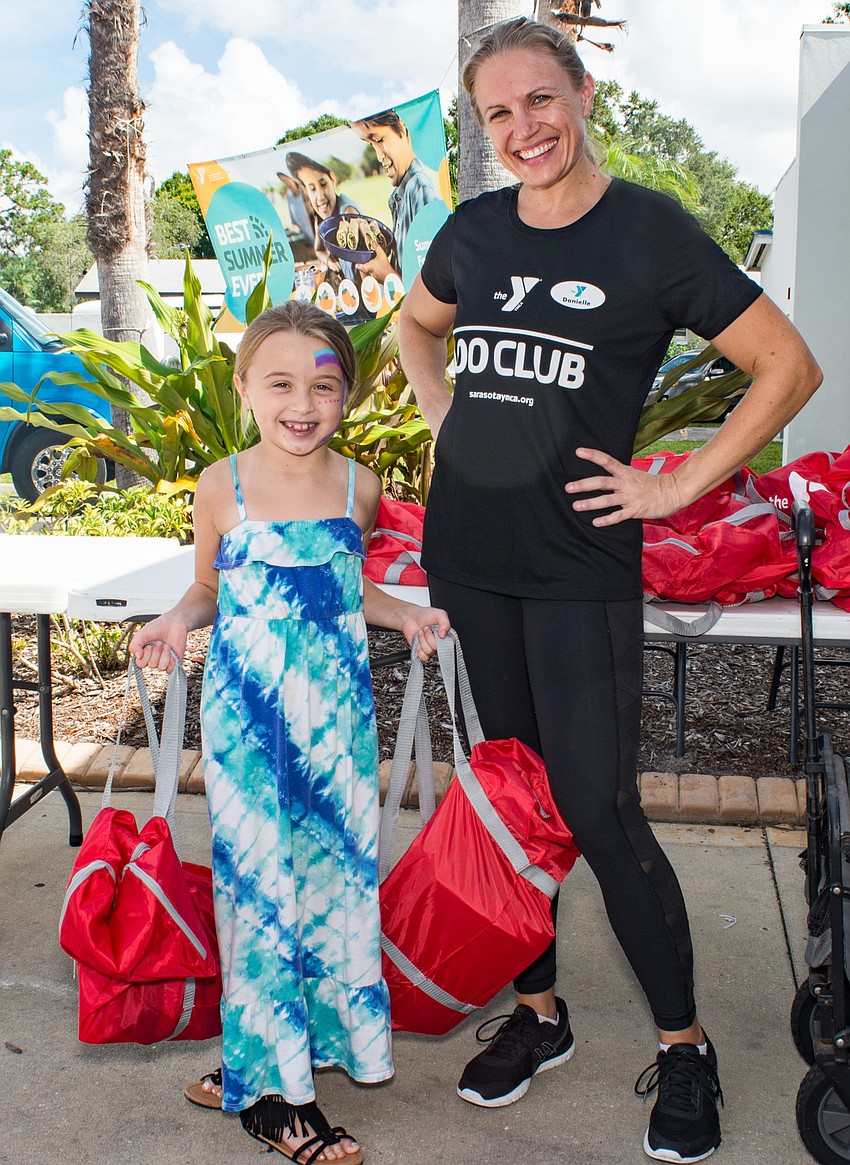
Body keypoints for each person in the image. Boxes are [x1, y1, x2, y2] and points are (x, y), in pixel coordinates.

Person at [398, 16, 821, 1164]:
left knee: (598, 808)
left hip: (579, 564)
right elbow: (414, 329)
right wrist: (446, 421)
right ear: (480, 129)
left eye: (541, 100)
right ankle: (539, 1015)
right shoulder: (473, 231)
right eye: (499, 113)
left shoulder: (649, 232)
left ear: (582, 95)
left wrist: (675, 483)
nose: (524, 127)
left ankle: (684, 1046)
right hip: (469, 558)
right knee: (513, 799)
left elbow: (787, 367)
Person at [130, 301, 450, 1164]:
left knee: (335, 887)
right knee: (260, 894)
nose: (301, 402)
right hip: (247, 731)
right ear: (244, 388)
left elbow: (347, 587)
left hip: (336, 729)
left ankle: (257, 1057)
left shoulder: (359, 486)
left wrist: (410, 617)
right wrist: (172, 619)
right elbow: (208, 589)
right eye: (279, 382)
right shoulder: (220, 484)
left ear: (345, 397)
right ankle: (276, 1101)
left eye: (323, 385)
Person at [350, 110, 439, 281]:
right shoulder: (402, 195)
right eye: (371, 145)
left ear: (403, 130)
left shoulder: (419, 189)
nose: (379, 155)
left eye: (379, 140)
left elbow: (433, 287)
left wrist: (386, 274)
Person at [285, 152, 363, 290]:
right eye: (312, 189)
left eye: (323, 184)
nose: (320, 197)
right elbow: (319, 250)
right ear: (305, 190)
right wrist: (329, 261)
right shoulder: (320, 217)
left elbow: (364, 268)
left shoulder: (348, 213)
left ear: (332, 179)